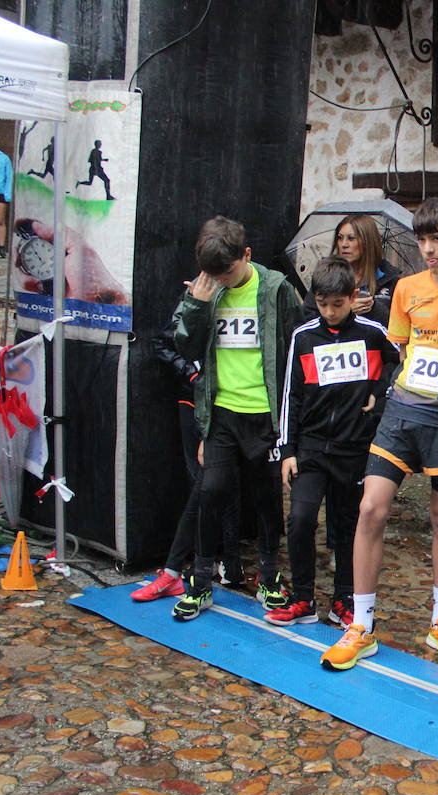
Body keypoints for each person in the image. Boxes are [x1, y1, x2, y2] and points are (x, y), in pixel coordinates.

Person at [319, 197, 438, 671]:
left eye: (437, 238)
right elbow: (399, 354)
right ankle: (361, 625)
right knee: (370, 508)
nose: (428, 248)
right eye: (422, 239)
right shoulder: (406, 288)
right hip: (402, 415)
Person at [169, 216, 304, 621]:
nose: (223, 281)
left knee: (266, 500)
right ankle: (201, 580)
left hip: (264, 414)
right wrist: (196, 303)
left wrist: (293, 419)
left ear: (246, 255)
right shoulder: (207, 288)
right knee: (211, 492)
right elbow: (184, 343)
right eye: (215, 274)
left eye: (228, 272)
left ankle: (268, 576)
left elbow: (298, 343)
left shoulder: (276, 288)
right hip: (222, 413)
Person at [267, 257, 399, 629]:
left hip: (354, 448)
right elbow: (290, 394)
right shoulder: (304, 335)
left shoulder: (373, 332)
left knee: (347, 524)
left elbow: (401, 360)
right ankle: (303, 597)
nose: (329, 312)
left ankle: (343, 598)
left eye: (337, 304)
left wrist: (379, 393)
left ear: (352, 296)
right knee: (301, 518)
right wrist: (287, 450)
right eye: (322, 304)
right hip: (310, 447)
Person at [132, 321, 242, 601]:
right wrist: (190, 372)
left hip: (232, 405)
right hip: (196, 402)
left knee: (220, 486)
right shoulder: (194, 302)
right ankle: (191, 567)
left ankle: (220, 564)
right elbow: (161, 341)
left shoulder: (251, 297)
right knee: (203, 485)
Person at [303, 214, 402, 327]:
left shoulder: (390, 280)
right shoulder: (327, 275)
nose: (344, 244)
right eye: (340, 238)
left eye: (351, 238)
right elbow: (308, 319)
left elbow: (398, 326)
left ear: (367, 242)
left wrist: (373, 308)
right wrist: (343, 311)